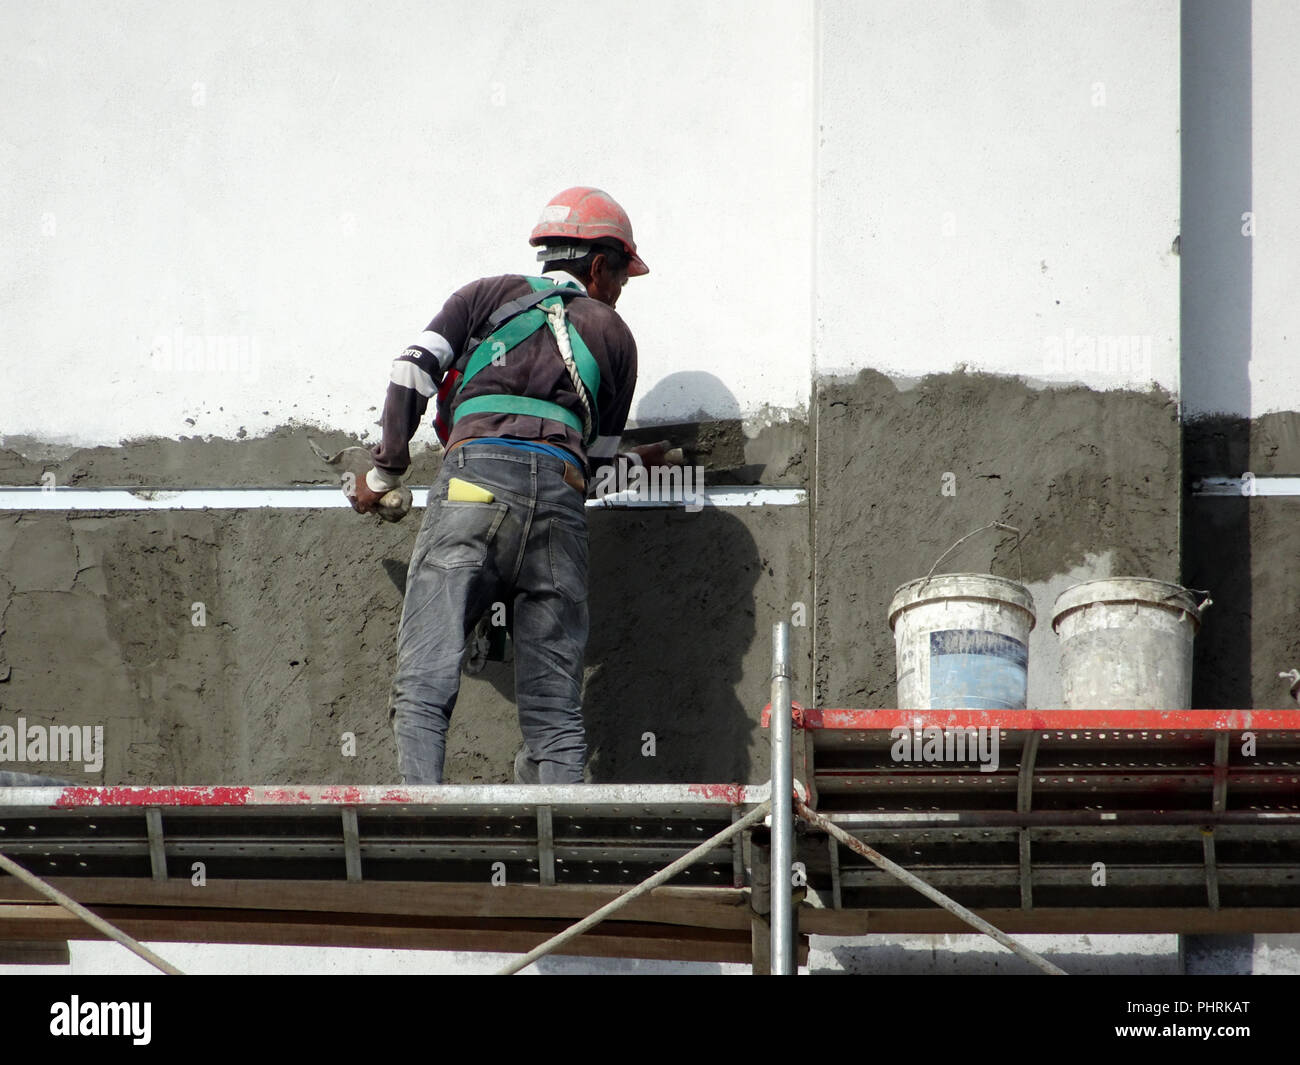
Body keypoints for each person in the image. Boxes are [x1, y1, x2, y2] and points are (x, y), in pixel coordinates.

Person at [349, 187, 648, 785]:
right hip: (560, 501)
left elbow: (412, 368)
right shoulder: (613, 335)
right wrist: (645, 462)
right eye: (619, 278)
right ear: (596, 266)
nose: (618, 292)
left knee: (424, 680)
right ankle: (560, 846)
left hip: (471, 489)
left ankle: (419, 830)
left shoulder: (486, 295)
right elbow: (596, 468)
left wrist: (384, 473)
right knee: (556, 711)